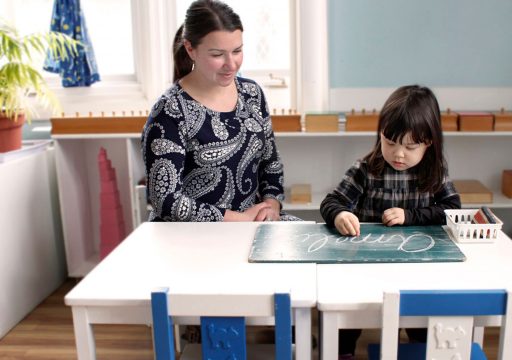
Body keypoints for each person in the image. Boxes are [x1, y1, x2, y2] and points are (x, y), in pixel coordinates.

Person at [320, 84, 461, 358]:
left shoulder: (434, 171)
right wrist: (340, 214)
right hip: (367, 264)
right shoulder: (365, 169)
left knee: (419, 320)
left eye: (410, 146)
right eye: (390, 142)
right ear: (380, 135)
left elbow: (452, 208)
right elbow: (330, 202)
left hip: (417, 265)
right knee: (349, 315)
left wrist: (410, 216)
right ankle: (344, 351)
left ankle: (418, 348)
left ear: (429, 142)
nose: (398, 154)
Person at [142, 0, 290, 223]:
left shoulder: (252, 94)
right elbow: (166, 201)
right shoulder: (169, 111)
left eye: (237, 51)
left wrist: (271, 206)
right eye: (217, 54)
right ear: (190, 49)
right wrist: (237, 220)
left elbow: (271, 163)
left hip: (253, 226)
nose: (231, 64)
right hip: (191, 237)